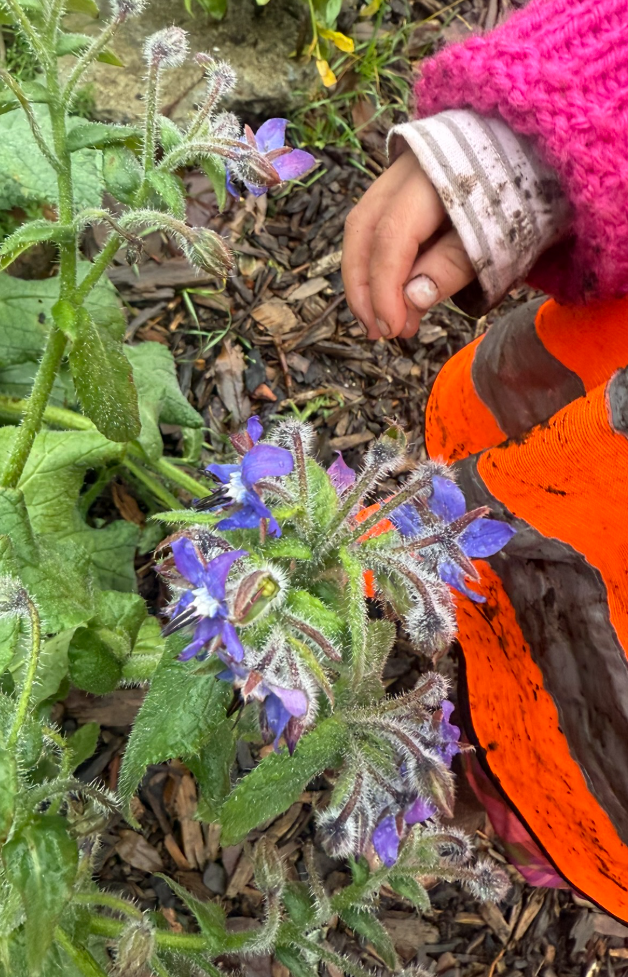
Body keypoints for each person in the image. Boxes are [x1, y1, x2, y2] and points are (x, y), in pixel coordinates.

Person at [341, 0, 628, 920]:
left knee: (594, 765)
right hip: (582, 426)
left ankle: (546, 811)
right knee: (501, 569)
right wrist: (545, 145)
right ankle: (493, 743)